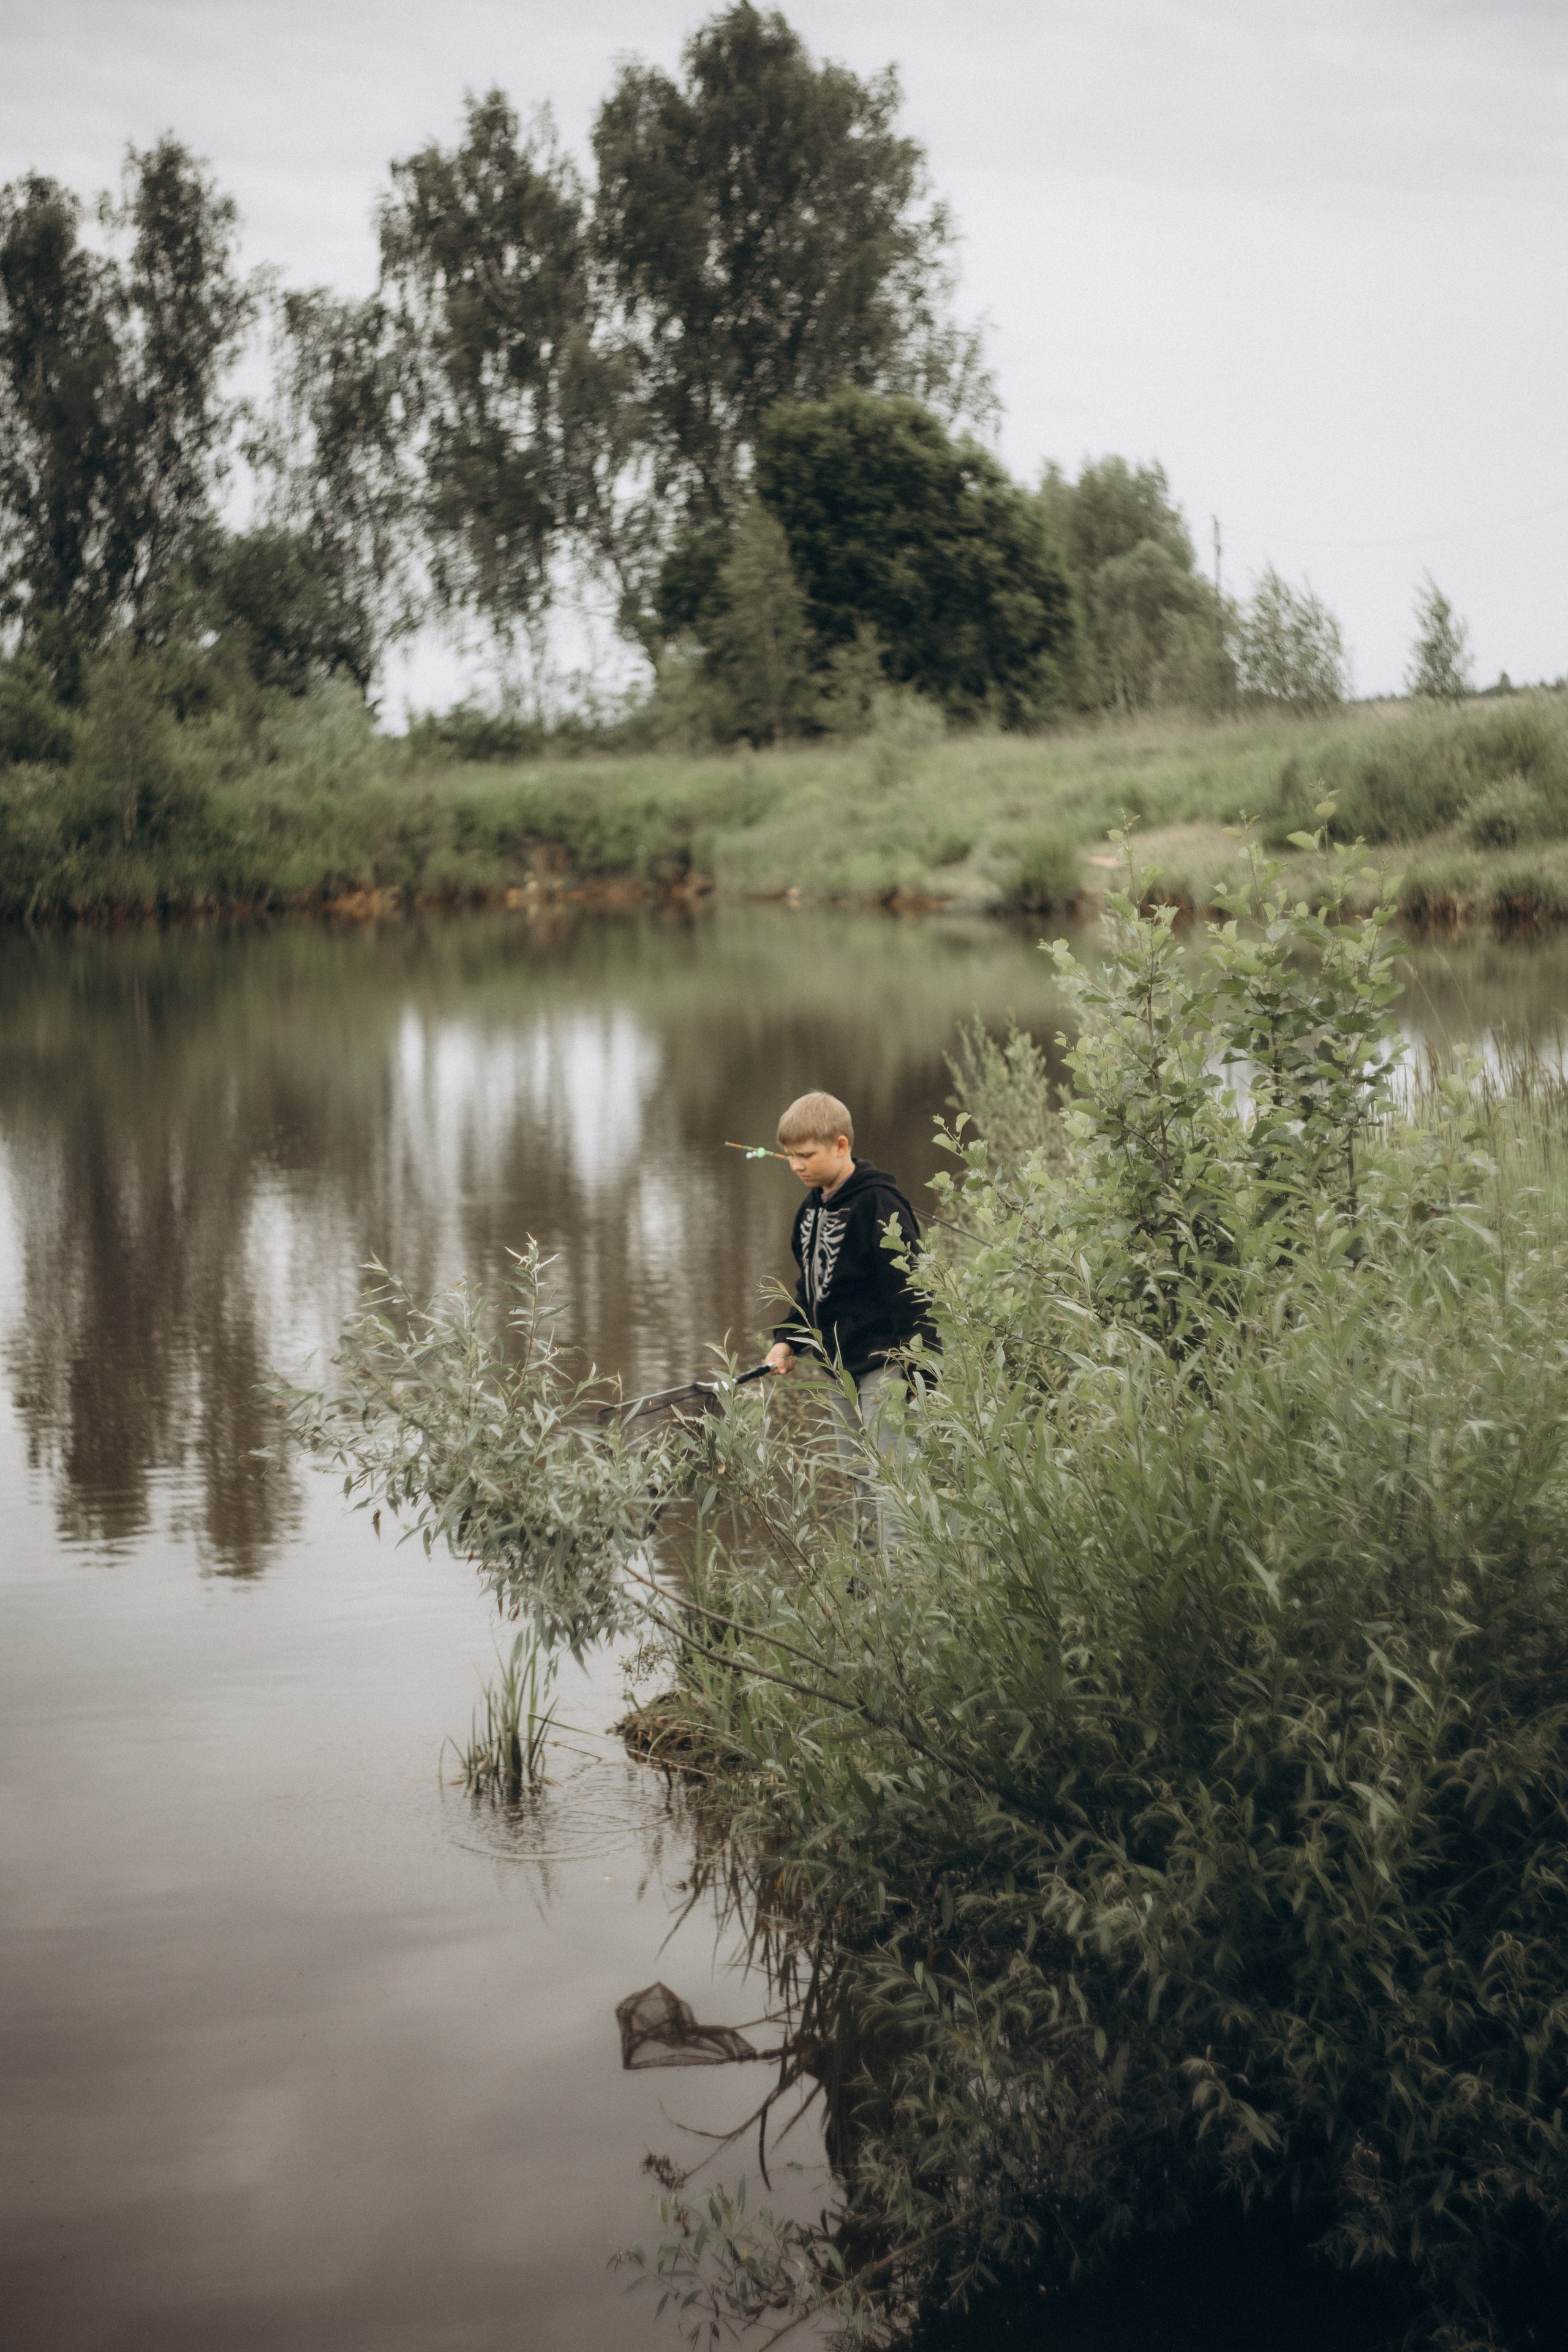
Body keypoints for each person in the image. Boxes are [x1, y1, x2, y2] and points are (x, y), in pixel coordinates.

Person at [763, 1091, 937, 1544]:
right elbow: (812, 1289)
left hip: (885, 1365)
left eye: (806, 1155)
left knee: (897, 1477)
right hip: (837, 1367)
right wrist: (788, 1340)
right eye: (789, 1157)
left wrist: (921, 1373)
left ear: (841, 1146)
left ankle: (909, 1577)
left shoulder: (878, 1204)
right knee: (858, 1472)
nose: (797, 1165)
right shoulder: (811, 1209)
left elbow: (913, 1292)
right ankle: (870, 1577)